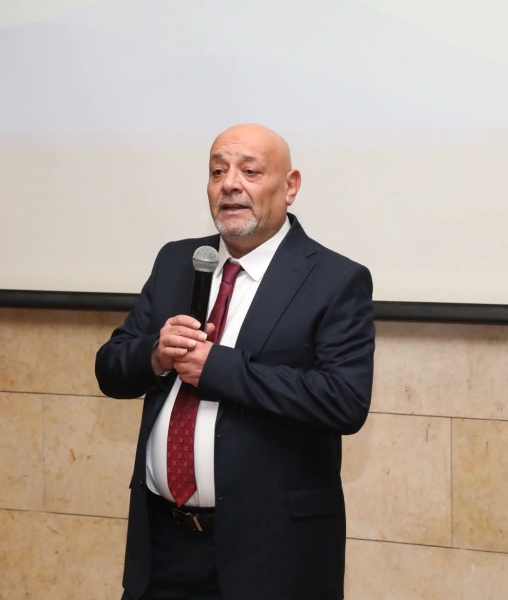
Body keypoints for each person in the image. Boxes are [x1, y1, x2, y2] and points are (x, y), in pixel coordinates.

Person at [95, 123, 375, 600]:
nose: (229, 185)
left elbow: (343, 401)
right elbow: (110, 369)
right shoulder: (177, 261)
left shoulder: (334, 279)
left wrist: (218, 368)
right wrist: (156, 354)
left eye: (250, 171)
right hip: (162, 546)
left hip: (272, 556)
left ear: (290, 186)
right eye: (217, 171)